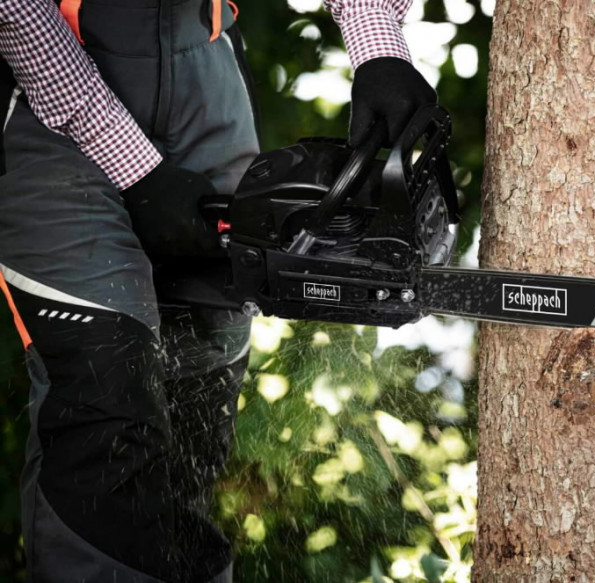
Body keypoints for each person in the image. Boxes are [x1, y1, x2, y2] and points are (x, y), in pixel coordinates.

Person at [0, 0, 435, 580]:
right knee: (105, 399)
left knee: (195, 408)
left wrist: (377, 46)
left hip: (203, 72)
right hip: (49, 90)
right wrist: (136, 168)